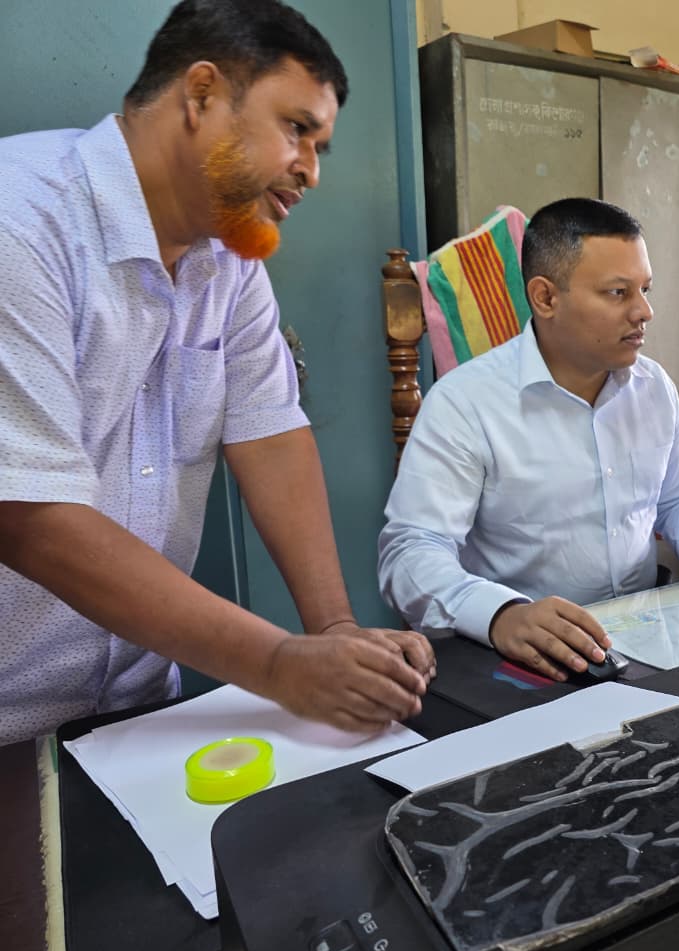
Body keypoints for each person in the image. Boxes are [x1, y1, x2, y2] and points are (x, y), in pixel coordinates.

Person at [0, 0, 435, 746]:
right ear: (200, 95)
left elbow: (271, 435)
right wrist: (278, 664)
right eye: (296, 128)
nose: (312, 170)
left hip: (135, 703)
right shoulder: (21, 222)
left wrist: (334, 631)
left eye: (321, 144)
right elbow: (31, 518)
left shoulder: (229, 260)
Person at [378, 198, 679, 681]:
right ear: (546, 298)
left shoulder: (652, 388)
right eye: (618, 293)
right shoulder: (467, 405)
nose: (645, 312)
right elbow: (411, 551)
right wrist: (502, 615)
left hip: (646, 641)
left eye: (645, 289)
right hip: (521, 660)